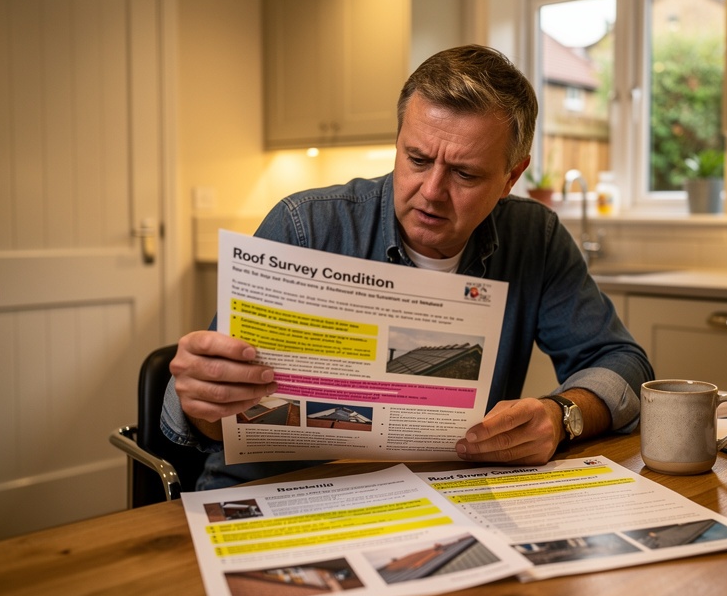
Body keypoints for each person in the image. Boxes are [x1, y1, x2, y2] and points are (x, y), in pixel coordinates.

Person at [161, 44, 653, 489]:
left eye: (465, 173)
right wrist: (200, 398)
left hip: (441, 498)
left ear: (511, 176)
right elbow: (206, 422)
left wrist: (562, 414)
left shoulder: (535, 238)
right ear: (397, 141)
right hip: (276, 493)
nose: (432, 192)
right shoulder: (306, 227)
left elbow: (624, 364)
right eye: (416, 159)